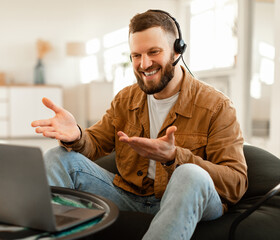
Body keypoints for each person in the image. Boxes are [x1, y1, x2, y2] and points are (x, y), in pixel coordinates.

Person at [31, 9, 247, 240]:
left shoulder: (216, 106)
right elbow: (94, 143)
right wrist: (76, 135)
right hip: (130, 194)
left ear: (177, 50)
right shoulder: (125, 99)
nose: (144, 64)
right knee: (57, 157)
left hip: (186, 196)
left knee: (188, 174)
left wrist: (175, 157)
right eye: (136, 55)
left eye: (154, 52)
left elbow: (236, 183)